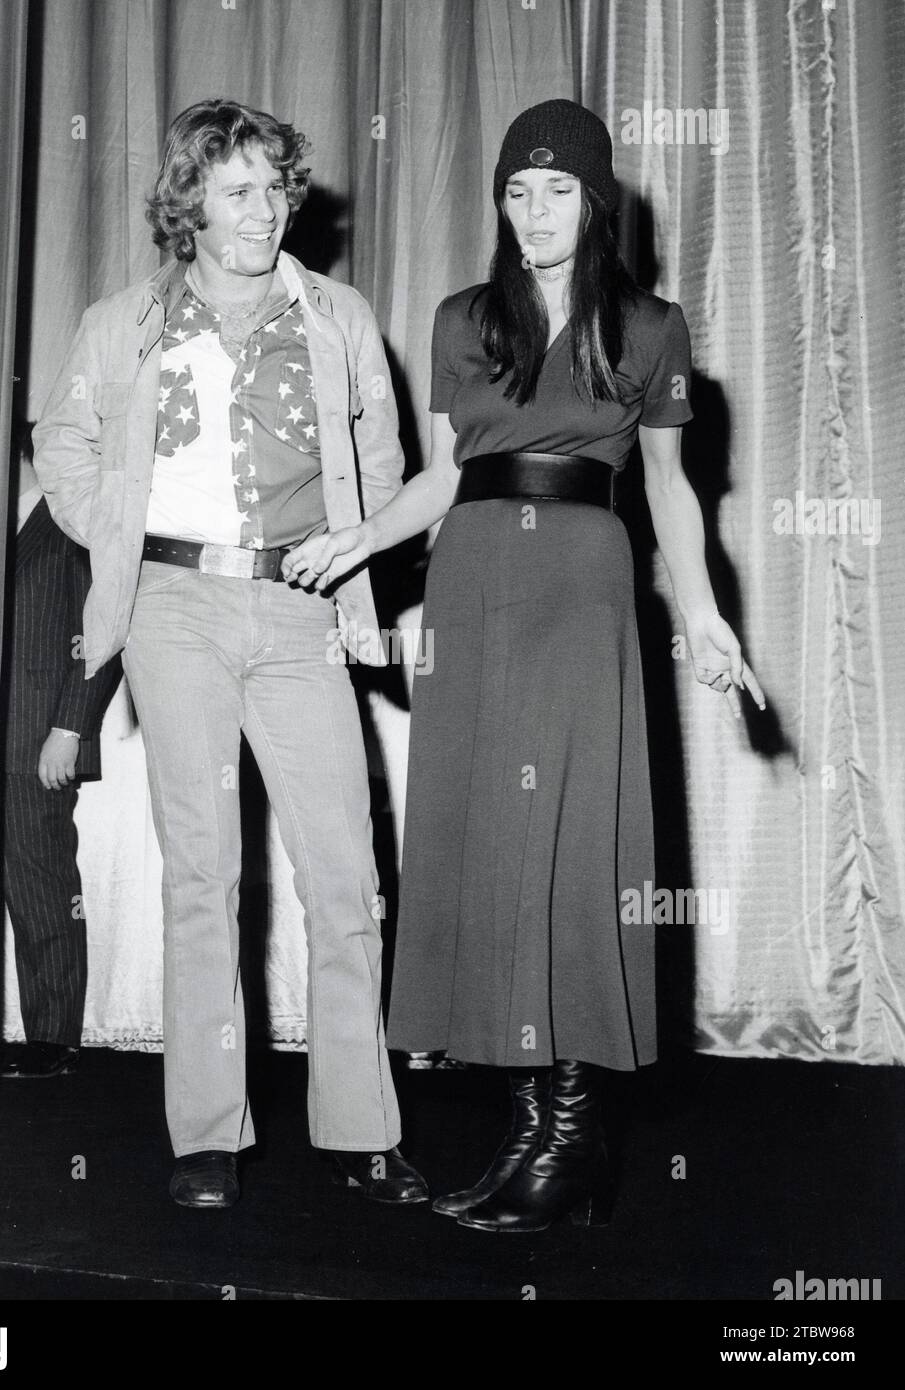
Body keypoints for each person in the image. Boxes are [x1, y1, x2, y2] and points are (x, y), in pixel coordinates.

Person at [283, 99, 764, 1233]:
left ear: (595, 202)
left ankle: (572, 1136)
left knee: (566, 846)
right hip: (472, 579)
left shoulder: (648, 326)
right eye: (514, 191)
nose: (533, 213)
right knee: (484, 843)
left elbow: (667, 488)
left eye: (555, 191)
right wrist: (362, 535)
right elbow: (452, 475)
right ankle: (530, 1131)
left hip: (579, 585)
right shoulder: (464, 318)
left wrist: (700, 616)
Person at [33, 99, 427, 1210]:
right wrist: (110, 526)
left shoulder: (336, 314)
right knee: (204, 875)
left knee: (346, 877)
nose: (266, 212)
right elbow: (63, 436)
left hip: (302, 613)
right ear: (190, 204)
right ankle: (208, 1135)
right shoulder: (125, 319)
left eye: (277, 188)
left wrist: (354, 548)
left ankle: (359, 1130)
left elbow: (385, 461)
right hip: (174, 609)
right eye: (239, 191)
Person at [0, 421, 120, 1080]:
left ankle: (53, 1039)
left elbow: (102, 634)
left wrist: (69, 729)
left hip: (37, 740)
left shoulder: (73, 522)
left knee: (42, 886)